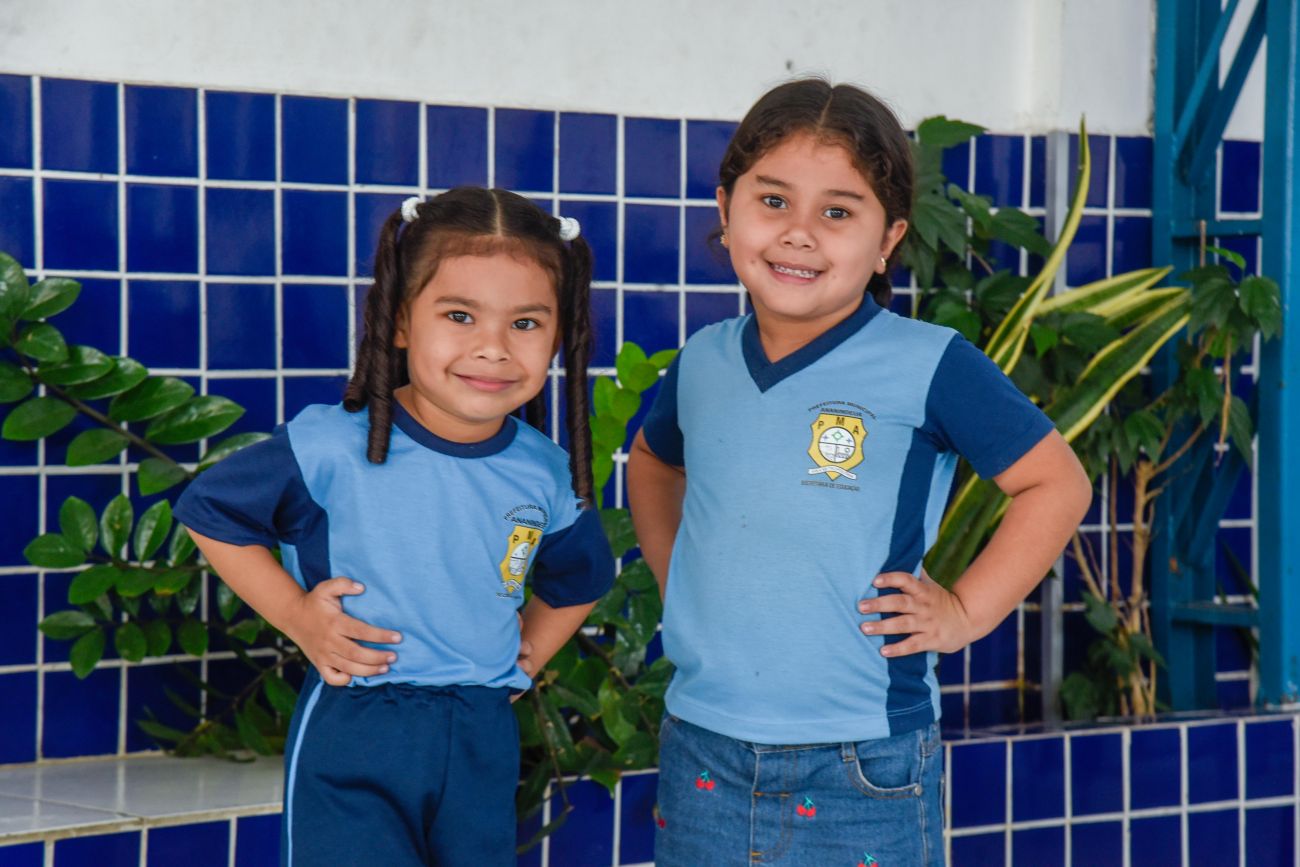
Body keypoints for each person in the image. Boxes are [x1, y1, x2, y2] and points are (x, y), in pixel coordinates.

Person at [627, 79, 1092, 866]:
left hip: (861, 761)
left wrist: (964, 612)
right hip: (701, 748)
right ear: (726, 209)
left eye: (838, 212)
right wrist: (680, 578)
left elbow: (1058, 483)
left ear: (888, 239)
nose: (799, 233)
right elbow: (651, 461)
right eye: (773, 200)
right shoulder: (703, 360)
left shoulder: (930, 363)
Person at [175, 187, 614, 867]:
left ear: (561, 335)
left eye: (526, 323)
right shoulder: (330, 445)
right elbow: (211, 511)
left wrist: (525, 659)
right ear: (401, 320)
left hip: (481, 733)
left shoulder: (544, 470)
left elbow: (582, 576)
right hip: (358, 722)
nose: (493, 348)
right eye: (460, 315)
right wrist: (299, 616)